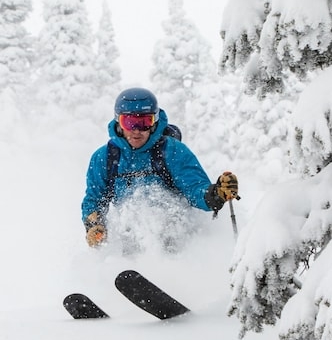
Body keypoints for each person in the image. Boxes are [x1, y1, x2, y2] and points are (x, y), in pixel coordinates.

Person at [81, 87, 239, 247]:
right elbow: (94, 199)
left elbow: (195, 188)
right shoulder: (105, 157)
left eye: (144, 122)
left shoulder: (172, 151)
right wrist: (94, 225)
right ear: (119, 122)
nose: (136, 131)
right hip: (130, 239)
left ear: (154, 122)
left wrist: (215, 194)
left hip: (176, 237)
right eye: (129, 122)